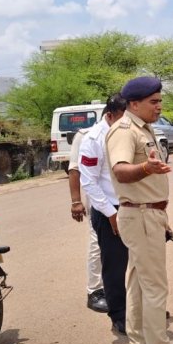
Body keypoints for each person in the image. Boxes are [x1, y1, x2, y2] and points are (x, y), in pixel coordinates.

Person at [105, 76, 173, 344]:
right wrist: (146, 167)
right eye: (153, 101)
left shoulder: (144, 129)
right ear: (134, 104)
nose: (159, 106)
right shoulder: (124, 130)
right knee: (155, 288)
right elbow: (120, 171)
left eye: (159, 100)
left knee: (139, 285)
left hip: (148, 214)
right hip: (141, 216)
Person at [79, 93, 129, 334]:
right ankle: (118, 315)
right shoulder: (93, 139)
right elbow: (88, 181)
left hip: (129, 207)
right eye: (122, 117)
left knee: (137, 263)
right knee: (114, 266)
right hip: (107, 209)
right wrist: (110, 213)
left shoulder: (125, 134)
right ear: (110, 115)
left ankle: (139, 309)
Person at [67, 120, 108, 314]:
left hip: (123, 199)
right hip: (98, 199)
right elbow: (74, 169)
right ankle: (95, 291)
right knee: (97, 243)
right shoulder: (86, 136)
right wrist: (76, 201)